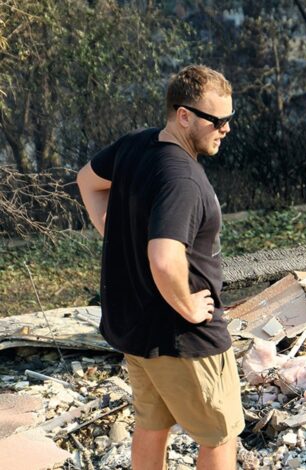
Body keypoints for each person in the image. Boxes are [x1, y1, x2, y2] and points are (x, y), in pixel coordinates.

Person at [77, 65, 243, 470]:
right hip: (182, 337)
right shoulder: (182, 179)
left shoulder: (135, 146)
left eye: (229, 119)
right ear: (183, 115)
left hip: (136, 327)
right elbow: (164, 258)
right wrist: (188, 306)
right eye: (217, 120)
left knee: (152, 426)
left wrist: (114, 233)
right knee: (221, 435)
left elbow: (86, 180)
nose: (225, 129)